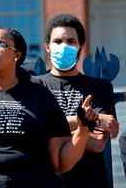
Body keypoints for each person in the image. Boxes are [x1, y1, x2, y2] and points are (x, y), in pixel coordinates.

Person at [0, 27, 97, 188]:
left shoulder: (40, 95)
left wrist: (82, 131)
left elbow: (60, 163)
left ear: (17, 55)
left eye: (0, 44)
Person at [32, 13, 119, 188]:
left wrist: (50, 132)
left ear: (80, 47)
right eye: (57, 41)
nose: (64, 46)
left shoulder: (99, 88)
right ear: (47, 47)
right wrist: (83, 123)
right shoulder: (34, 86)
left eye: (71, 41)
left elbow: (97, 144)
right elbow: (33, 131)